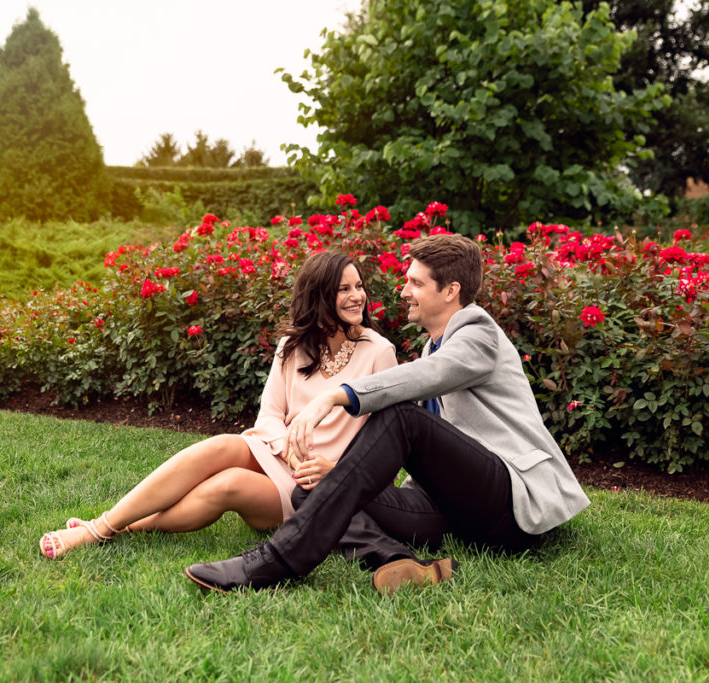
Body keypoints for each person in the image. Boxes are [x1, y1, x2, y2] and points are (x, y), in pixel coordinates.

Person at [184, 233, 591, 594]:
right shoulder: (436, 345)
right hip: (452, 507)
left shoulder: (479, 332)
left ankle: (281, 558)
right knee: (311, 489)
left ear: (450, 291)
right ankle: (396, 561)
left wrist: (333, 397)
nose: (402, 292)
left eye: (415, 282)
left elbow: (426, 378)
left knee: (402, 417)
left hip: (509, 502)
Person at [39, 251, 398, 559]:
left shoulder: (379, 352)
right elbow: (270, 415)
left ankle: (114, 527)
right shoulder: (294, 344)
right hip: (280, 453)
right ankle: (102, 527)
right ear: (319, 295)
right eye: (344, 289)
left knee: (228, 485)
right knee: (223, 444)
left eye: (359, 287)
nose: (357, 297)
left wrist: (335, 467)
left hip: (316, 481)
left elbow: (389, 441)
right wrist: (288, 451)